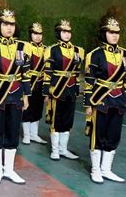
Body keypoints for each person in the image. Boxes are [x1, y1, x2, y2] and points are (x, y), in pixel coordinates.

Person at [0, 9, 31, 185]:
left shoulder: (23, 47)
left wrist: (26, 95)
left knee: (13, 131)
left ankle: (9, 170)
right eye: (5, 24)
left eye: (11, 24)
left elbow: (26, 74)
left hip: (16, 94)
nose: (8, 28)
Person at [84, 17, 126, 184]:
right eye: (111, 32)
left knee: (113, 135)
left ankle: (106, 170)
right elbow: (89, 81)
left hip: (119, 101)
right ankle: (95, 170)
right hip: (101, 100)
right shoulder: (94, 55)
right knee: (98, 135)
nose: (114, 35)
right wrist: (88, 104)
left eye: (117, 32)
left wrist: (125, 99)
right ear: (104, 33)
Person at [43, 19, 85, 160]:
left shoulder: (78, 51)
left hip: (71, 89)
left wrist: (78, 89)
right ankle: (55, 150)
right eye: (63, 31)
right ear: (58, 33)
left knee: (68, 120)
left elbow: (78, 72)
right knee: (56, 119)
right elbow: (47, 72)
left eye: (68, 32)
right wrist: (46, 92)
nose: (67, 34)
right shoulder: (52, 50)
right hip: (57, 88)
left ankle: (63, 149)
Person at [21, 23, 47, 145]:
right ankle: (26, 135)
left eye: (39, 34)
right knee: (27, 108)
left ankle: (34, 134)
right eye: (35, 33)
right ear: (30, 34)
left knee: (37, 107)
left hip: (40, 82)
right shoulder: (24, 47)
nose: (37, 36)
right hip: (29, 80)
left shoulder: (46, 49)